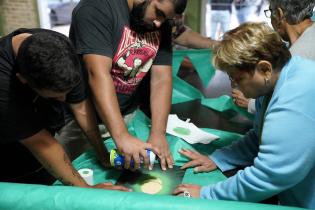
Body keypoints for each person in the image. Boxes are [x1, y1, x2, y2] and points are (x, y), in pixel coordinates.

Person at [173, 22, 315, 209]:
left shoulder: (294, 99)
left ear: (264, 69)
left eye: (238, 79)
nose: (234, 86)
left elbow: (270, 175)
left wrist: (207, 194)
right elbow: (261, 137)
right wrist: (218, 159)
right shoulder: (278, 80)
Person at [0, 28, 129, 191]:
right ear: (22, 79)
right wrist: (86, 190)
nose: (63, 100)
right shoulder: (4, 84)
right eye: (54, 97)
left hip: (40, 139)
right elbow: (42, 144)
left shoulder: (61, 48)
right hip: (9, 160)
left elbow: (80, 106)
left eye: (66, 93)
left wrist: (103, 154)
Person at [69, 0, 187, 171]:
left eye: (165, 19)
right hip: (84, 121)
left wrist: (158, 133)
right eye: (159, 13)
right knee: (84, 183)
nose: (158, 23)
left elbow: (161, 78)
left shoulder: (161, 23)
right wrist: (121, 135)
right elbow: (97, 73)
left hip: (126, 116)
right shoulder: (96, 7)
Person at [233, 0, 315, 113]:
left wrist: (251, 103)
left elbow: (285, 104)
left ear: (279, 14)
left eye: (270, 11)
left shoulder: (296, 57)